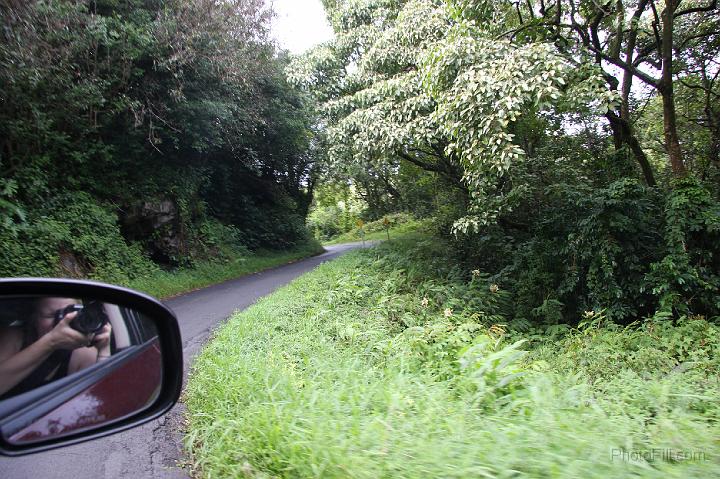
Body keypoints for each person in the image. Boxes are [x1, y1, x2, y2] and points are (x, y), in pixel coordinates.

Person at [0, 297, 112, 399]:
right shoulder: (14, 337)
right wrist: (51, 341)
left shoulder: (82, 353)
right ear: (33, 318)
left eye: (69, 313)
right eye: (50, 315)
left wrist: (104, 351)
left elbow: (96, 401)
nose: (61, 322)